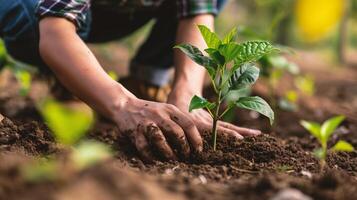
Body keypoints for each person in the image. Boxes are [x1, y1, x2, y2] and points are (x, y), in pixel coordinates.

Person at [0, 0, 261, 161]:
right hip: (46, 12)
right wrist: (124, 105)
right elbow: (55, 30)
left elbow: (196, 15)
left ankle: (147, 81)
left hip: (122, 11)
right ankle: (68, 78)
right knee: (29, 15)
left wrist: (187, 96)